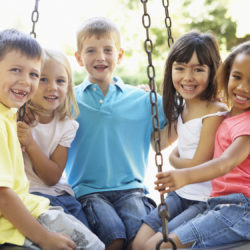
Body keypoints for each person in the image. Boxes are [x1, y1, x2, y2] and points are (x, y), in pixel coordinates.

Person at [65, 17, 166, 250]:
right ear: (79, 58)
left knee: (139, 239)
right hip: (88, 191)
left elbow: (181, 114)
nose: (100, 57)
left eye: (107, 50)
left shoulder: (141, 99)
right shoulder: (68, 100)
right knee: (114, 237)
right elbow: (42, 114)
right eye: (91, 50)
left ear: (119, 56)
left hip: (132, 189)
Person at [0, 28, 104, 250]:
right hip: (20, 214)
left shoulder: (9, 115)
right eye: (16, 70)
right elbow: (3, 196)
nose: (26, 81)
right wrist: (45, 238)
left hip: (38, 203)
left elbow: (52, 176)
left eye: (33, 74)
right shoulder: (8, 120)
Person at [140, 41, 250, 249]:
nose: (243, 87)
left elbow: (224, 163)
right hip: (221, 204)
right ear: (226, 75)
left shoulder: (246, 126)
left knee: (162, 245)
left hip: (240, 208)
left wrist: (184, 175)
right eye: (237, 77)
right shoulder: (230, 115)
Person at [17, 49, 89, 228]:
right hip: (29, 196)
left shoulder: (67, 126)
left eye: (60, 81)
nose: (52, 87)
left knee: (87, 238)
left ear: (68, 86)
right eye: (43, 79)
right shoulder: (15, 116)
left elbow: (52, 177)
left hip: (61, 195)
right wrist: (18, 109)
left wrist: (31, 144)